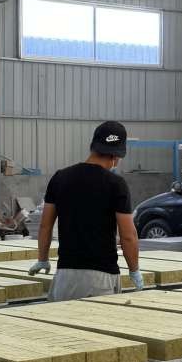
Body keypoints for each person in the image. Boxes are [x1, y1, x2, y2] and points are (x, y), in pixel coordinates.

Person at [29, 120, 144, 301]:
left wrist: (43, 259)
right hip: (100, 277)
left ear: (93, 147)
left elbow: (45, 226)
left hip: (65, 275)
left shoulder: (60, 177)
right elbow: (128, 236)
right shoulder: (116, 184)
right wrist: (134, 270)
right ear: (116, 156)